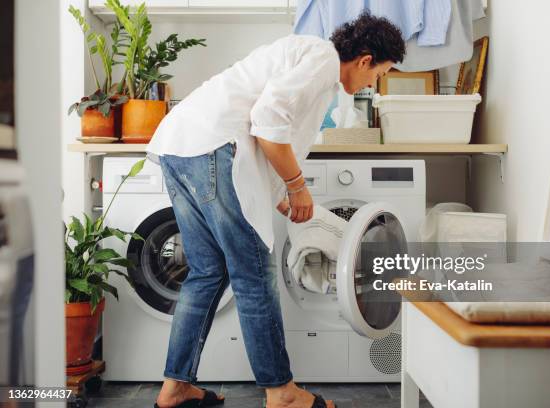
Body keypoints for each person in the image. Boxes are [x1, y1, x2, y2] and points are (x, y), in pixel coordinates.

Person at [146, 11, 406, 408]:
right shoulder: (322, 58)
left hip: (180, 147)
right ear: (365, 59)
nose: (375, 82)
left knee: (206, 272)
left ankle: (175, 386)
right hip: (211, 148)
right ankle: (281, 392)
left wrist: (282, 193)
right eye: (380, 73)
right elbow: (266, 122)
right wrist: (297, 186)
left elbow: (267, 138)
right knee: (253, 275)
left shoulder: (313, 65)